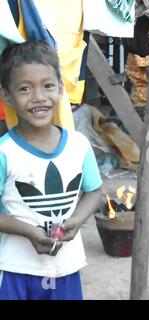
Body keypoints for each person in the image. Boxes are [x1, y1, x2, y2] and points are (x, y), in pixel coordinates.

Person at [0, 40, 103, 300]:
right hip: (14, 269)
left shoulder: (79, 145)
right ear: (7, 96)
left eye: (47, 86)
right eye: (25, 89)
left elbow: (94, 191)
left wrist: (77, 220)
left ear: (60, 88)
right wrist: (28, 232)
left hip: (66, 268)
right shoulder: (4, 152)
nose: (38, 97)